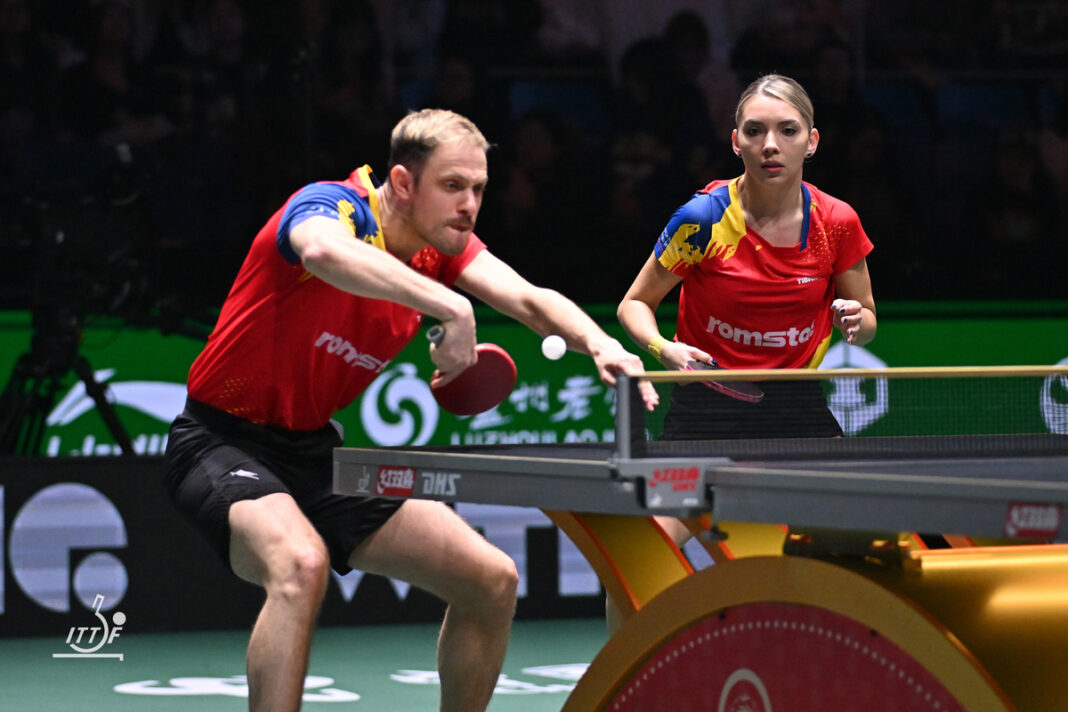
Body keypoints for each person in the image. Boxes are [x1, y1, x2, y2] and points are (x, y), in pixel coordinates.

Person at [164, 108, 657, 712]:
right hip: (219, 440)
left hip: (314, 452)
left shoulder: (439, 249)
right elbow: (320, 251)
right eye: (452, 186)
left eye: (478, 188)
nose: (469, 205)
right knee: (299, 565)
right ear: (402, 183)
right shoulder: (330, 207)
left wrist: (602, 344)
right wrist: (453, 308)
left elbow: (530, 300)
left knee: (490, 580)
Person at [616, 74, 875, 575]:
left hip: (796, 409)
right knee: (640, 559)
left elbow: (867, 321)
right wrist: (662, 348)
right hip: (705, 409)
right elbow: (634, 304)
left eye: (787, 130)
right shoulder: (703, 219)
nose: (770, 145)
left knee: (859, 552)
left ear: (811, 141)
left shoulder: (837, 222)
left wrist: (853, 319)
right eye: (755, 131)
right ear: (736, 141)